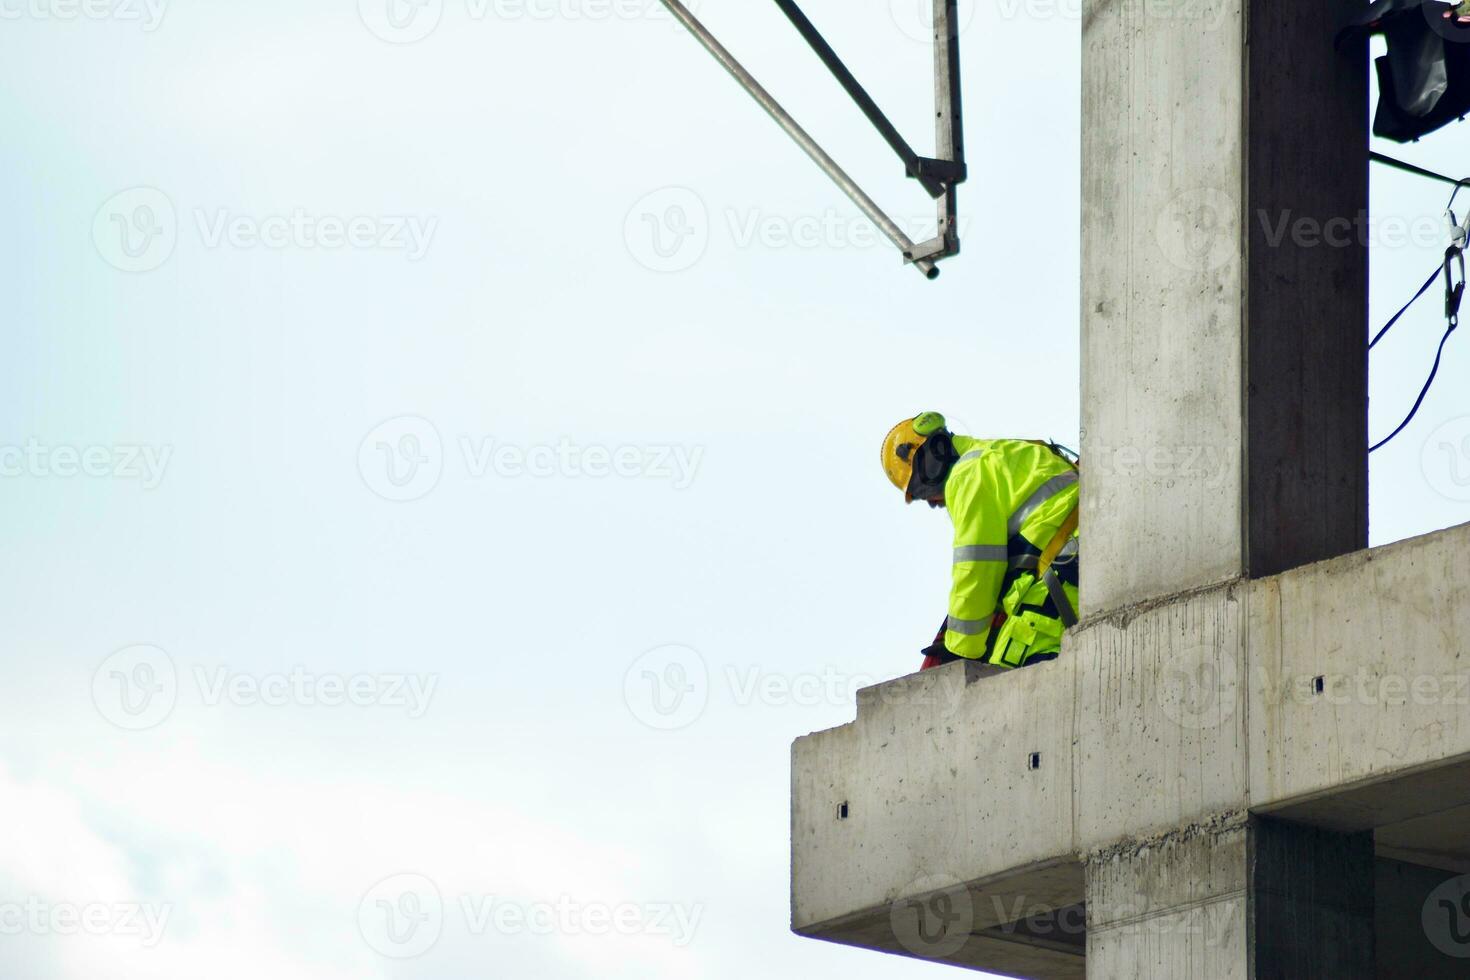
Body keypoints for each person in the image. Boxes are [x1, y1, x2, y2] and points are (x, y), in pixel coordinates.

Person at [881, 412, 1080, 671]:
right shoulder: (1002, 453)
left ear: (936, 455)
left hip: (1063, 573)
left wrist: (960, 648)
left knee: (1007, 678)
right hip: (1069, 562)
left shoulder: (967, 474)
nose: (932, 501)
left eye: (923, 488)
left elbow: (977, 567)